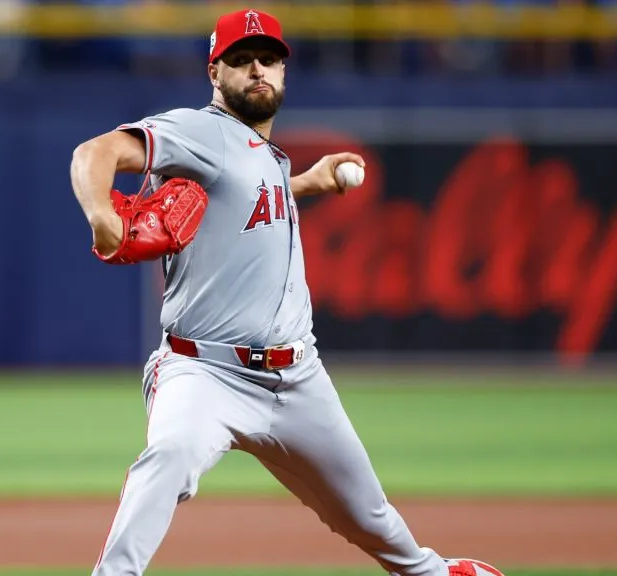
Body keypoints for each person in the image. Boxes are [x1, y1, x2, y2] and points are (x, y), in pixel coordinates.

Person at [69, 7, 505, 576]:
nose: (257, 70)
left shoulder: (264, 155)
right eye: (241, 60)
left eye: (269, 59)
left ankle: (434, 574)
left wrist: (302, 183)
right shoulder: (202, 130)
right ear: (214, 73)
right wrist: (102, 213)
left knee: (370, 518)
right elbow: (93, 154)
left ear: (283, 73)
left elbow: (248, 206)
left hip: (297, 379)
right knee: (170, 455)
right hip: (206, 373)